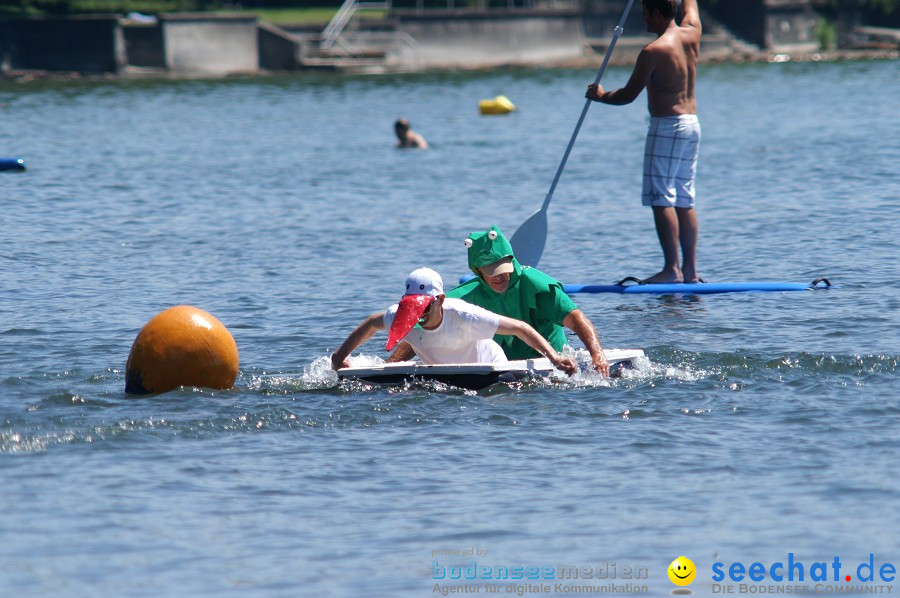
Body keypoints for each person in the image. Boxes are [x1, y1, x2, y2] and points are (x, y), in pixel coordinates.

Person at [388, 227, 610, 376]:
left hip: (553, 364)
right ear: (478, 272)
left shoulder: (538, 285)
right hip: (501, 369)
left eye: (504, 269)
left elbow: (577, 318)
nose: (500, 276)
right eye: (492, 272)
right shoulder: (464, 296)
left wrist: (597, 354)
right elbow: (422, 330)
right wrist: (391, 366)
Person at [586, 0, 702, 284]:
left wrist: (600, 95)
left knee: (660, 197)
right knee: (684, 199)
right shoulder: (693, 32)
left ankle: (671, 269)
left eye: (646, 14)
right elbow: (691, 6)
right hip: (691, 125)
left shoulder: (654, 50)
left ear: (656, 12)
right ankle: (690, 271)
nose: (644, 20)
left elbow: (627, 95)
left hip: (667, 126)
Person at [331, 267, 577, 375]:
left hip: (492, 368)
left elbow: (520, 327)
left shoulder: (464, 315)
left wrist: (554, 358)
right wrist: (339, 358)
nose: (419, 313)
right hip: (442, 372)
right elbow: (370, 325)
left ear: (440, 299)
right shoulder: (399, 314)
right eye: (413, 306)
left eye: (425, 306)